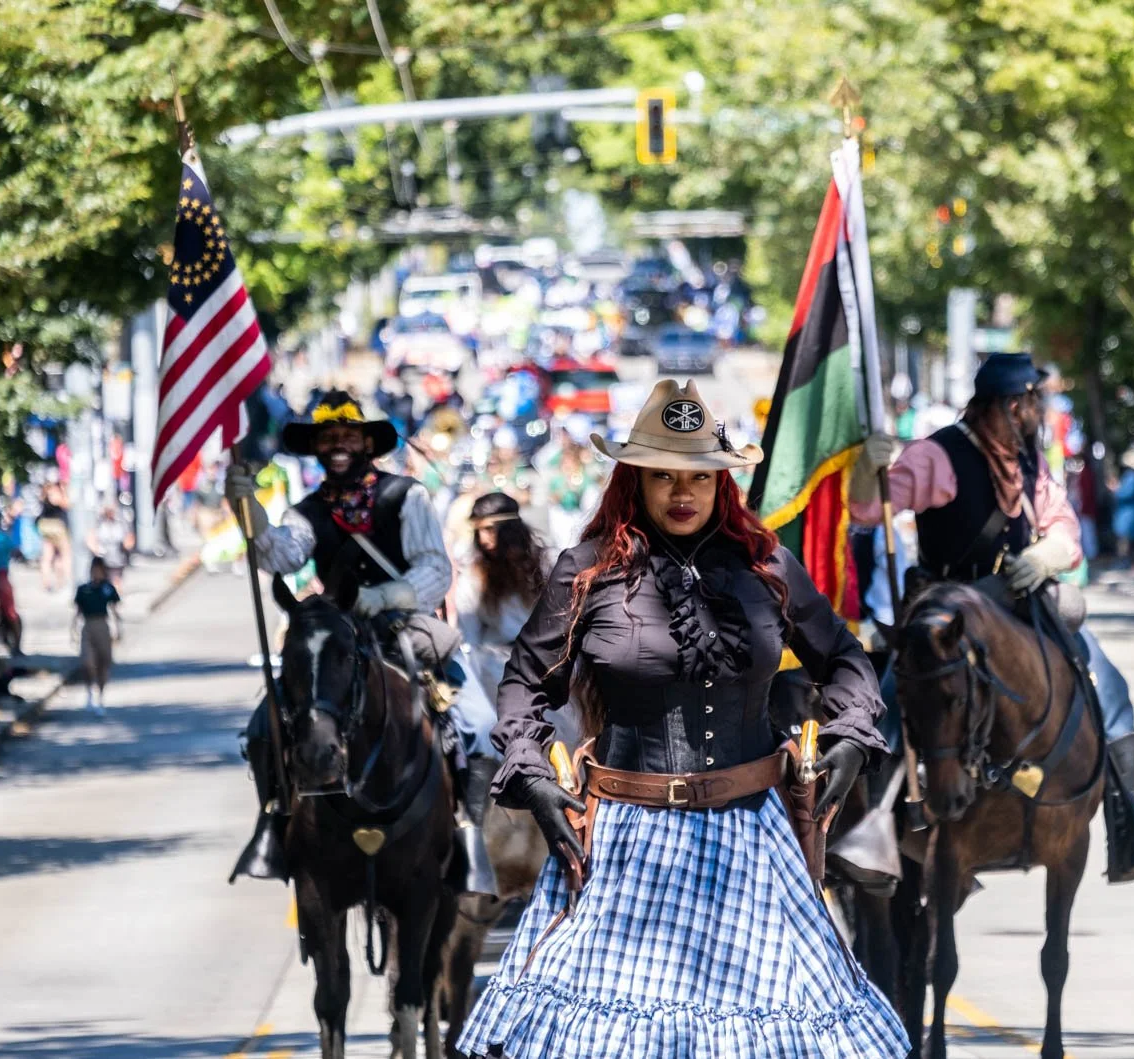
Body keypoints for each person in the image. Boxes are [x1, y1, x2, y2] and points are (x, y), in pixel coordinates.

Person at [456, 379, 908, 1059]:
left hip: (753, 836)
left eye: (698, 475)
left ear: (721, 481)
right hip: (624, 840)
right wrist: (532, 774)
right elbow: (523, 684)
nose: (681, 491)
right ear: (634, 480)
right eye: (662, 475)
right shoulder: (588, 571)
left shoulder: (767, 566)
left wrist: (850, 736)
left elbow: (844, 660)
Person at [854, 352, 1134, 883]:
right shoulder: (938, 455)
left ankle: (1126, 821)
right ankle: (873, 829)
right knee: (895, 695)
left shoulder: (1029, 460)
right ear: (1012, 406)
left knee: (1108, 685)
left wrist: (1048, 554)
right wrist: (864, 474)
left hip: (1018, 602)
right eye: (1034, 400)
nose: (1040, 410)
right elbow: (868, 509)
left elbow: (1064, 526)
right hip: (950, 610)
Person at [222, 392, 492, 891]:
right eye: (328, 438)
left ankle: (467, 833)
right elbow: (283, 555)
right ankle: (274, 823)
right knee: (264, 725)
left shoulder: (406, 496)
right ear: (317, 448)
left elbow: (435, 568)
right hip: (337, 635)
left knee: (480, 724)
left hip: (405, 627)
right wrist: (251, 515)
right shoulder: (306, 511)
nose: (338, 445)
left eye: (348, 435)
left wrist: (387, 594)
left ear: (368, 443)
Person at [454, 492, 548, 705]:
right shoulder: (473, 577)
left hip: (545, 662)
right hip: (496, 669)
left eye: (489, 529)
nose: (483, 540)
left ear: (510, 529)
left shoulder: (546, 564)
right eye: (478, 531)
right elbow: (469, 637)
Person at [73, 556, 122, 716]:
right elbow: (78, 612)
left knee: (103, 663)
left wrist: (118, 630)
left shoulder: (108, 589)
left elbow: (114, 610)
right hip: (88, 626)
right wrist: (73, 629)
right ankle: (89, 691)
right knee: (87, 662)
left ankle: (100, 696)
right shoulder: (83, 589)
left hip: (103, 626)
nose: (96, 573)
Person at [0, 508, 23, 654]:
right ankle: (17, 644)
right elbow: (17, 552)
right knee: (10, 611)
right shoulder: (3, 537)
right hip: (1, 577)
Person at [87, 504, 134, 588]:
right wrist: (96, 550)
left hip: (117, 558)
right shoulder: (99, 522)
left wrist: (126, 547)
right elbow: (90, 536)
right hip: (102, 558)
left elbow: (129, 538)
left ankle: (115, 593)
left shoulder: (121, 521)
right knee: (101, 582)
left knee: (115, 581)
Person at [36, 482, 70, 592]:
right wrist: (63, 493)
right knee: (64, 555)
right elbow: (66, 504)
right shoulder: (55, 492)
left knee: (48, 556)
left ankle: (47, 582)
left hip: (45, 526)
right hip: (57, 526)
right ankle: (63, 581)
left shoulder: (44, 493)